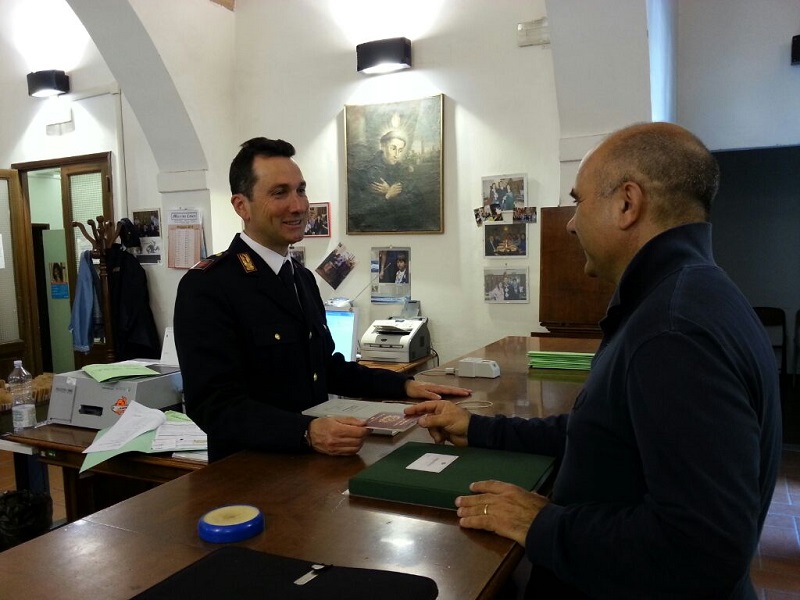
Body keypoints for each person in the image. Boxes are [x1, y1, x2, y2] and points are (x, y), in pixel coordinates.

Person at [406, 122, 782, 599]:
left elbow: (703, 549)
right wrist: (478, 428)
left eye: (578, 201)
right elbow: (606, 433)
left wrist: (542, 524)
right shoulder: (686, 294)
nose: (570, 222)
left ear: (627, 204)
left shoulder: (673, 331)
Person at [174, 137, 470, 462]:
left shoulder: (301, 278)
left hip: (312, 462)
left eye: (300, 190)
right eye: (279, 193)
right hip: (250, 470)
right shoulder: (209, 286)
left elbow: (324, 367)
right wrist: (305, 431)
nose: (298, 206)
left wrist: (403, 386)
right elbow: (213, 405)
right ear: (241, 206)